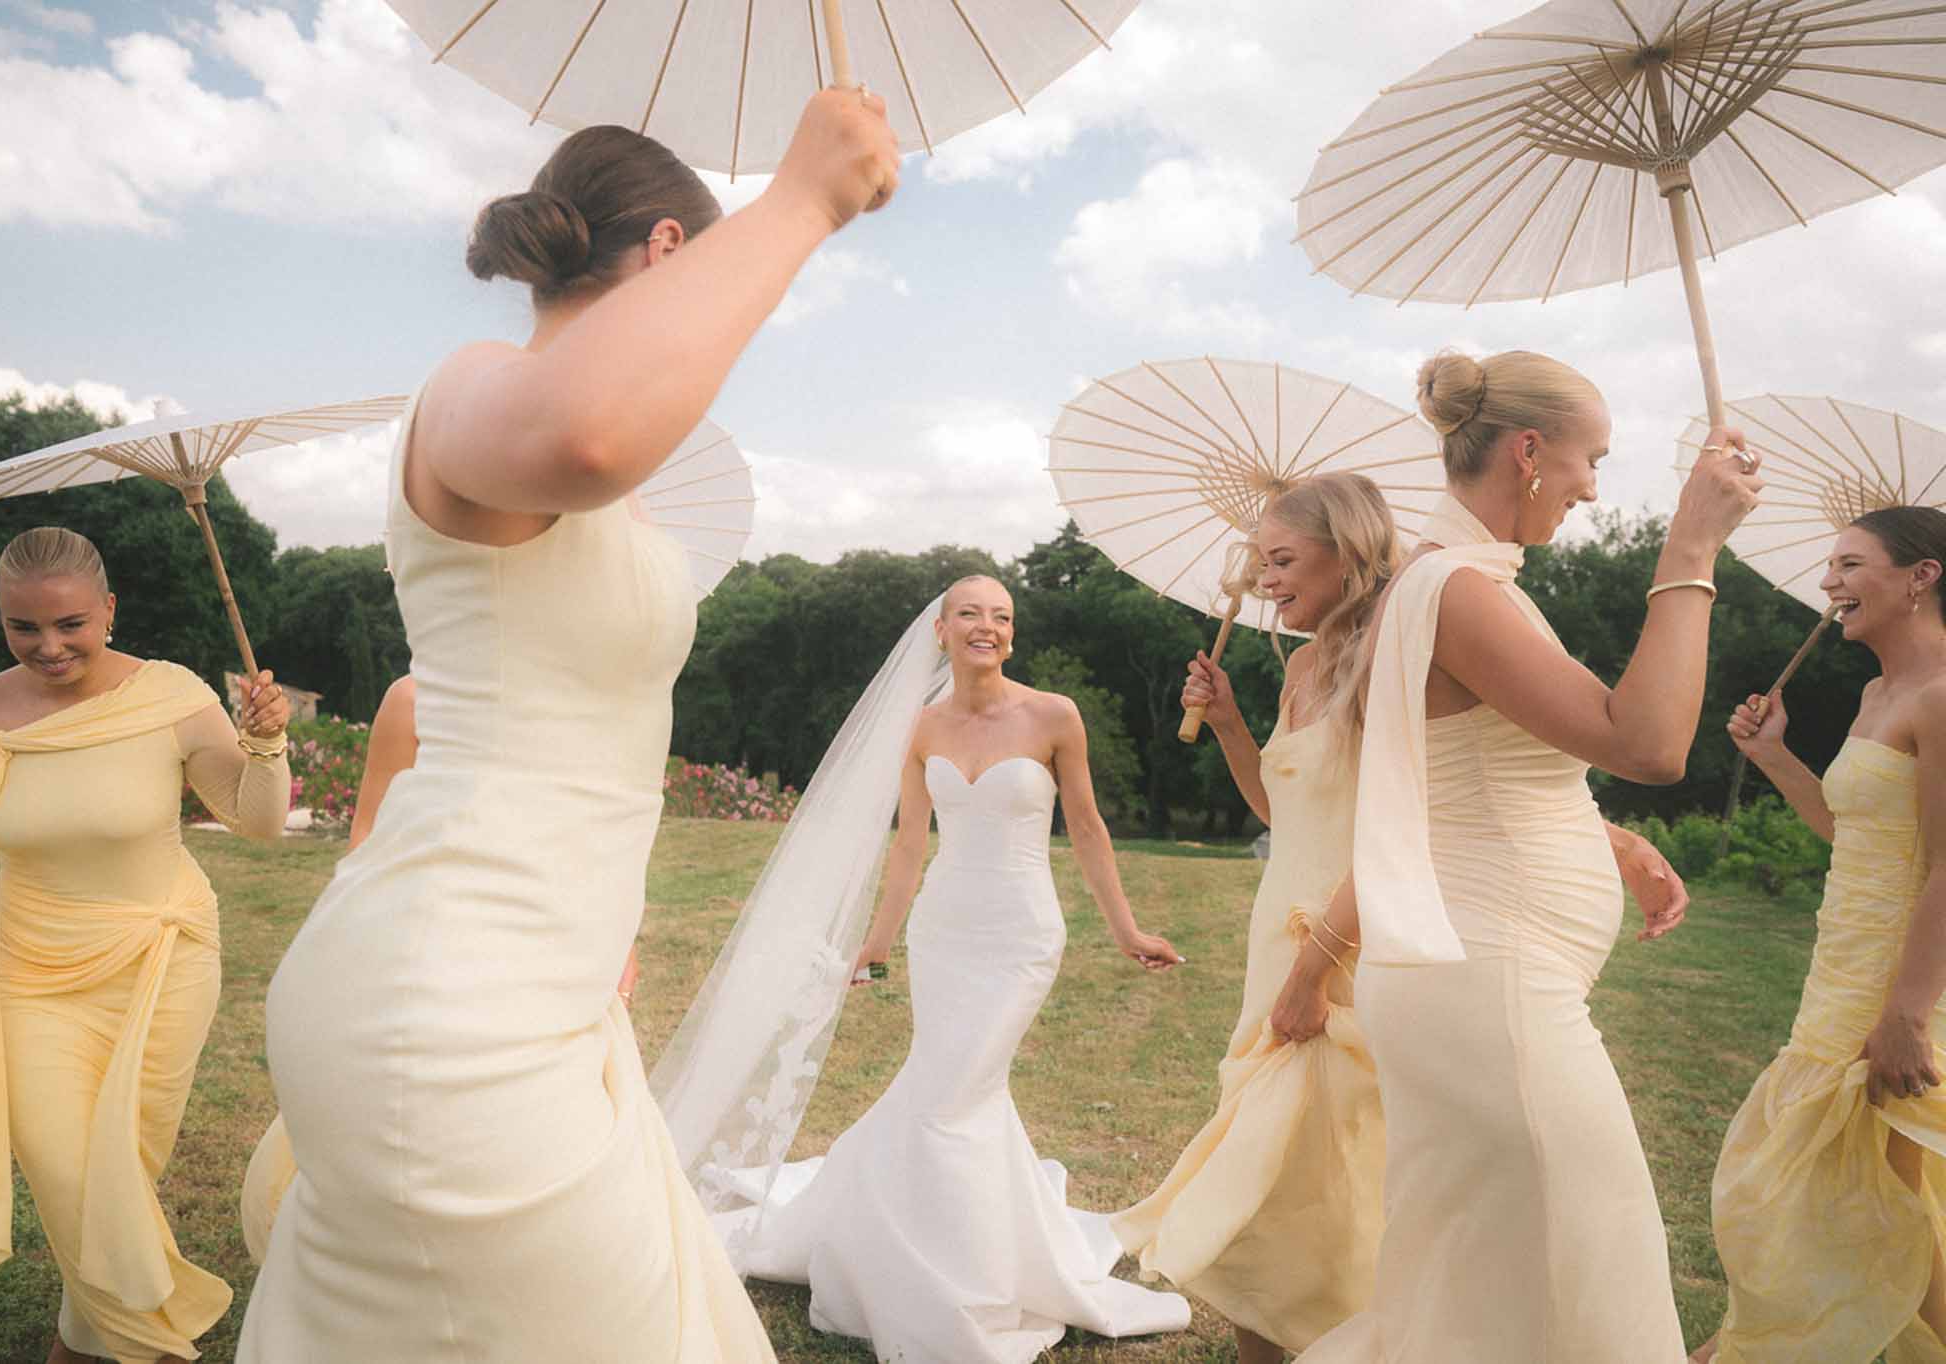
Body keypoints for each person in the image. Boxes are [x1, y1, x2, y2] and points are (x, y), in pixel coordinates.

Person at [236, 88, 897, 1362]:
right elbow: (592, 429)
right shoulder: (476, 392)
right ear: (664, 254)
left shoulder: (606, 505)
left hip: (545, 982)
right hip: (447, 998)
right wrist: (801, 199)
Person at [1296, 350, 1760, 1364]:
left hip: (1483, 977)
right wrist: (1690, 545)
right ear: (1527, 451)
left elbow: (1471, 775)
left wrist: (1610, 837)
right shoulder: (1455, 590)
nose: (1595, 485)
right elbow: (1644, 742)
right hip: (1487, 988)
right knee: (1593, 1266)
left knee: (1485, 1286)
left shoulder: (1456, 586)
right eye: (1590, 458)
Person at [722, 575, 1190, 1364]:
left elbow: (1085, 827)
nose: (988, 626)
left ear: (1013, 633)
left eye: (1002, 616)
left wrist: (1126, 929)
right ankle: (941, 1250)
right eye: (971, 613)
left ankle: (952, 1279)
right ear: (941, 631)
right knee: (951, 1094)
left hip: (1020, 937)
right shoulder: (920, 725)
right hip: (944, 930)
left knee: (952, 1096)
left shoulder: (1053, 716)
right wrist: (876, 942)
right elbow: (910, 844)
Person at [0, 525, 291, 1364]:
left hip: (163, 959)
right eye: (23, 627)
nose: (49, 646)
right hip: (28, 976)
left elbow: (256, 821)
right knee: (73, 1178)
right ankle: (150, 1341)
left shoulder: (171, 695)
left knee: (121, 1176)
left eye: (70, 623)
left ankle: (79, 1348)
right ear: (0, 621)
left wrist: (265, 739)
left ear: (109, 609)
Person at [1110, 473, 1396, 1364]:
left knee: (1306, 1172)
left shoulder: (1392, 657)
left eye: (1281, 559)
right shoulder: (1303, 665)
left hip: (1346, 941)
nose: (1265, 581)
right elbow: (1283, 813)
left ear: (1346, 552)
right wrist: (1234, 725)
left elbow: (1390, 837)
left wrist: (1317, 967)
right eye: (1258, 563)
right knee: (1273, 1168)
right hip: (1275, 935)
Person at [238, 676, 640, 1261]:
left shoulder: (592, 696)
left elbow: (611, 842)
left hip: (558, 949)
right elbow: (368, 830)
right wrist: (369, 935)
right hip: (439, 945)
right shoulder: (414, 699)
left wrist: (620, 938)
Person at [1694, 506, 1946, 1363]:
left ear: (1921, 577)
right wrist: (1773, 756)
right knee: (1862, 1199)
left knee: (1891, 1198)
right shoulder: (1880, 692)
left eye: (1850, 564)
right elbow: (1858, 834)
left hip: (1903, 985)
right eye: (1829, 566)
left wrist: (1908, 1014)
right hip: (1840, 974)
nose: (1829, 583)